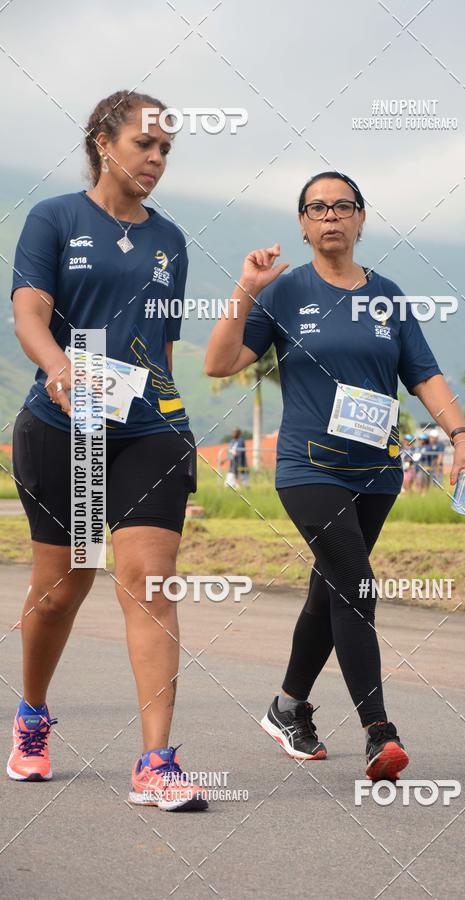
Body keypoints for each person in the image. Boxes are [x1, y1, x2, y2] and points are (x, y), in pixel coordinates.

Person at [205, 170, 465, 781]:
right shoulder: (283, 293)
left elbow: (424, 374)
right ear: (303, 224)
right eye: (317, 207)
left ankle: (287, 706)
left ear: (362, 219)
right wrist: (247, 290)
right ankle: (377, 731)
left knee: (332, 588)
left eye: (343, 206)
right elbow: (219, 362)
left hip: (378, 470)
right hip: (308, 467)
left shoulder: (388, 294)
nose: (330, 215)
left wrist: (463, 441)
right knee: (357, 586)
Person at [8, 91, 207, 811]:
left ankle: (156, 760)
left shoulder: (172, 240)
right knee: (63, 589)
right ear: (102, 142)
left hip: (147, 429)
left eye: (166, 150)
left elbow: (165, 349)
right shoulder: (54, 218)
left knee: (150, 580)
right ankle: (32, 715)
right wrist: (59, 367)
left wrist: (180, 428)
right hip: (61, 428)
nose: (156, 159)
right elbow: (27, 311)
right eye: (145, 145)